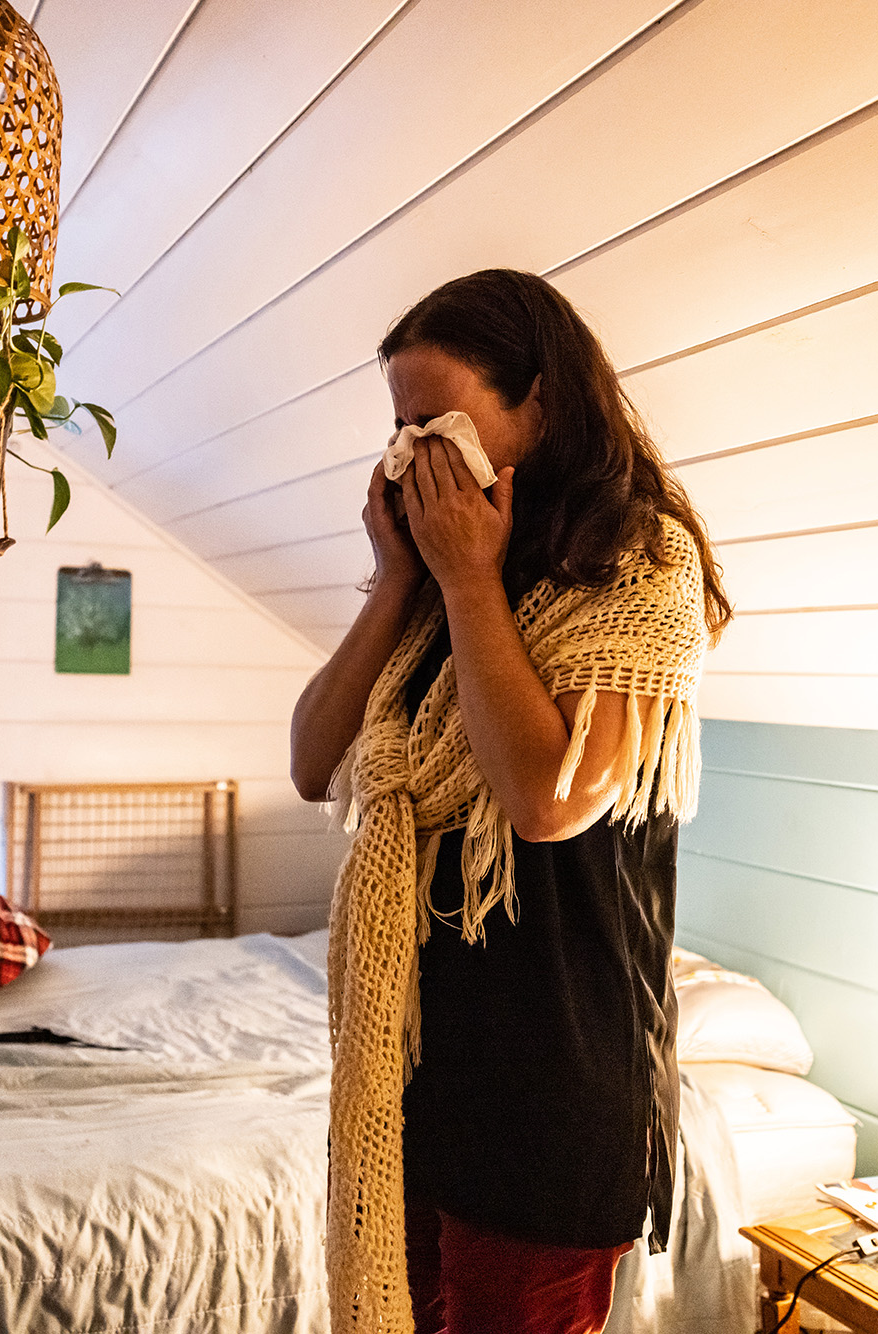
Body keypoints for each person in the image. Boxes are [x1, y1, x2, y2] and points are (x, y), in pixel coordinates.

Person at [290, 269, 733, 1334]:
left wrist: (468, 582)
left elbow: (545, 801)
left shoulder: (639, 558)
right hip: (418, 1074)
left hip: (553, 1084)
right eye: (399, 427)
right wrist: (402, 577)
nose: (412, 453)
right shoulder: (440, 571)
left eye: (435, 420)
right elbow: (312, 759)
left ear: (539, 398)